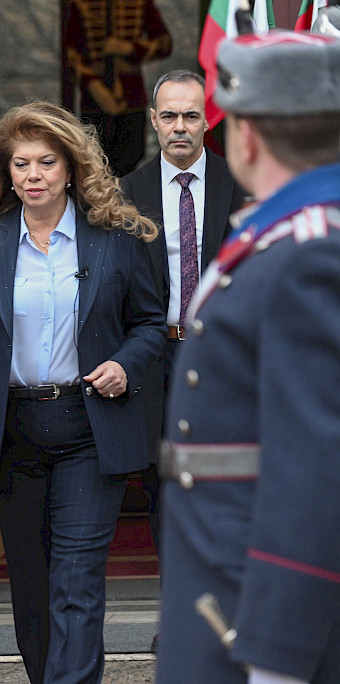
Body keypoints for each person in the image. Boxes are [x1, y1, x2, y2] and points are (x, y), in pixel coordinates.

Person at [0, 102, 164, 683]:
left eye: (46, 162)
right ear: (5, 172)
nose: (32, 175)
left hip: (89, 430)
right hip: (13, 432)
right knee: (32, 588)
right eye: (20, 164)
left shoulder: (115, 237)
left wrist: (123, 365)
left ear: (71, 168)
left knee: (77, 582)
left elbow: (150, 325)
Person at [157, 30, 340, 684]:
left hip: (251, 611)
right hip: (224, 587)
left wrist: (277, 656)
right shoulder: (284, 234)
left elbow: (317, 467)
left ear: (248, 136)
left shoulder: (308, 251)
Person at [119, 69, 247, 554]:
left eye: (190, 116)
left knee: (227, 486)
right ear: (153, 120)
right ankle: (177, 624)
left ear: (205, 122)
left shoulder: (238, 183)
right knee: (164, 491)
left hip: (225, 358)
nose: (179, 127)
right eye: (169, 115)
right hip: (158, 357)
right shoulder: (128, 192)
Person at [64, 0, 172, 177]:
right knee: (94, 159)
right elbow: (71, 54)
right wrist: (93, 84)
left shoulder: (141, 1)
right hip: (94, 101)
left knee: (129, 159)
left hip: (130, 97)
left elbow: (164, 44)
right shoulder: (82, 5)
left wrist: (130, 48)